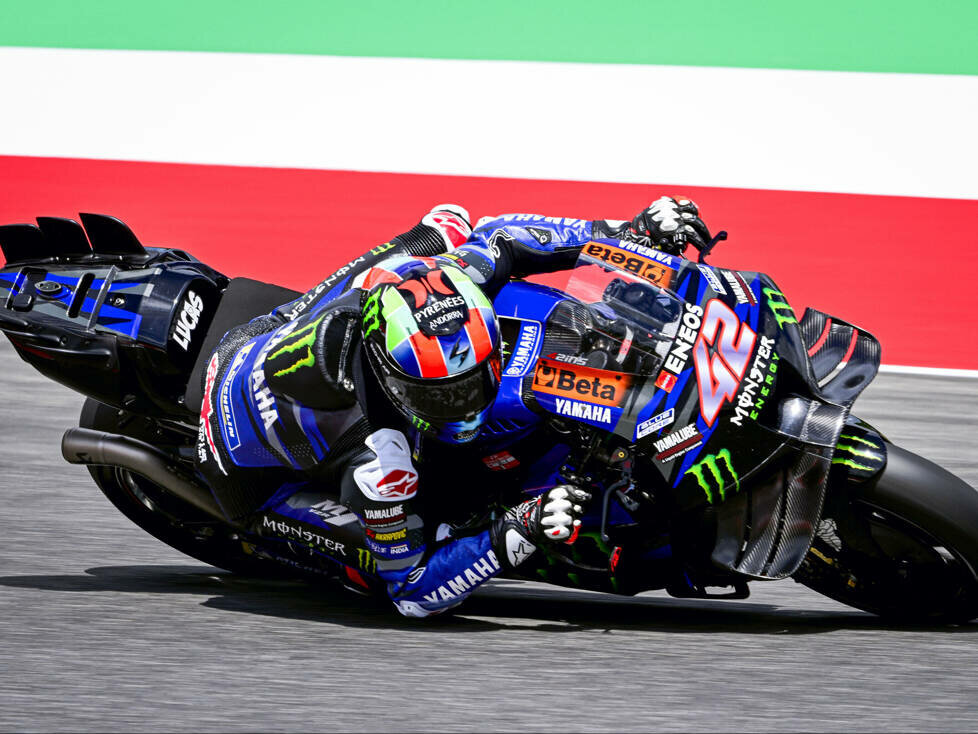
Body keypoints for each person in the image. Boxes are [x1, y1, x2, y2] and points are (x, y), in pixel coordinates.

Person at [195, 196, 713, 617]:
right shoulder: (381, 463)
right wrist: (520, 527)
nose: (467, 404)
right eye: (443, 395)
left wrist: (627, 233)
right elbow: (413, 592)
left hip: (265, 331)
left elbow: (504, 235)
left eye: (475, 380)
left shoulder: (442, 280)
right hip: (251, 479)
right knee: (400, 556)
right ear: (395, 382)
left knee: (448, 225)